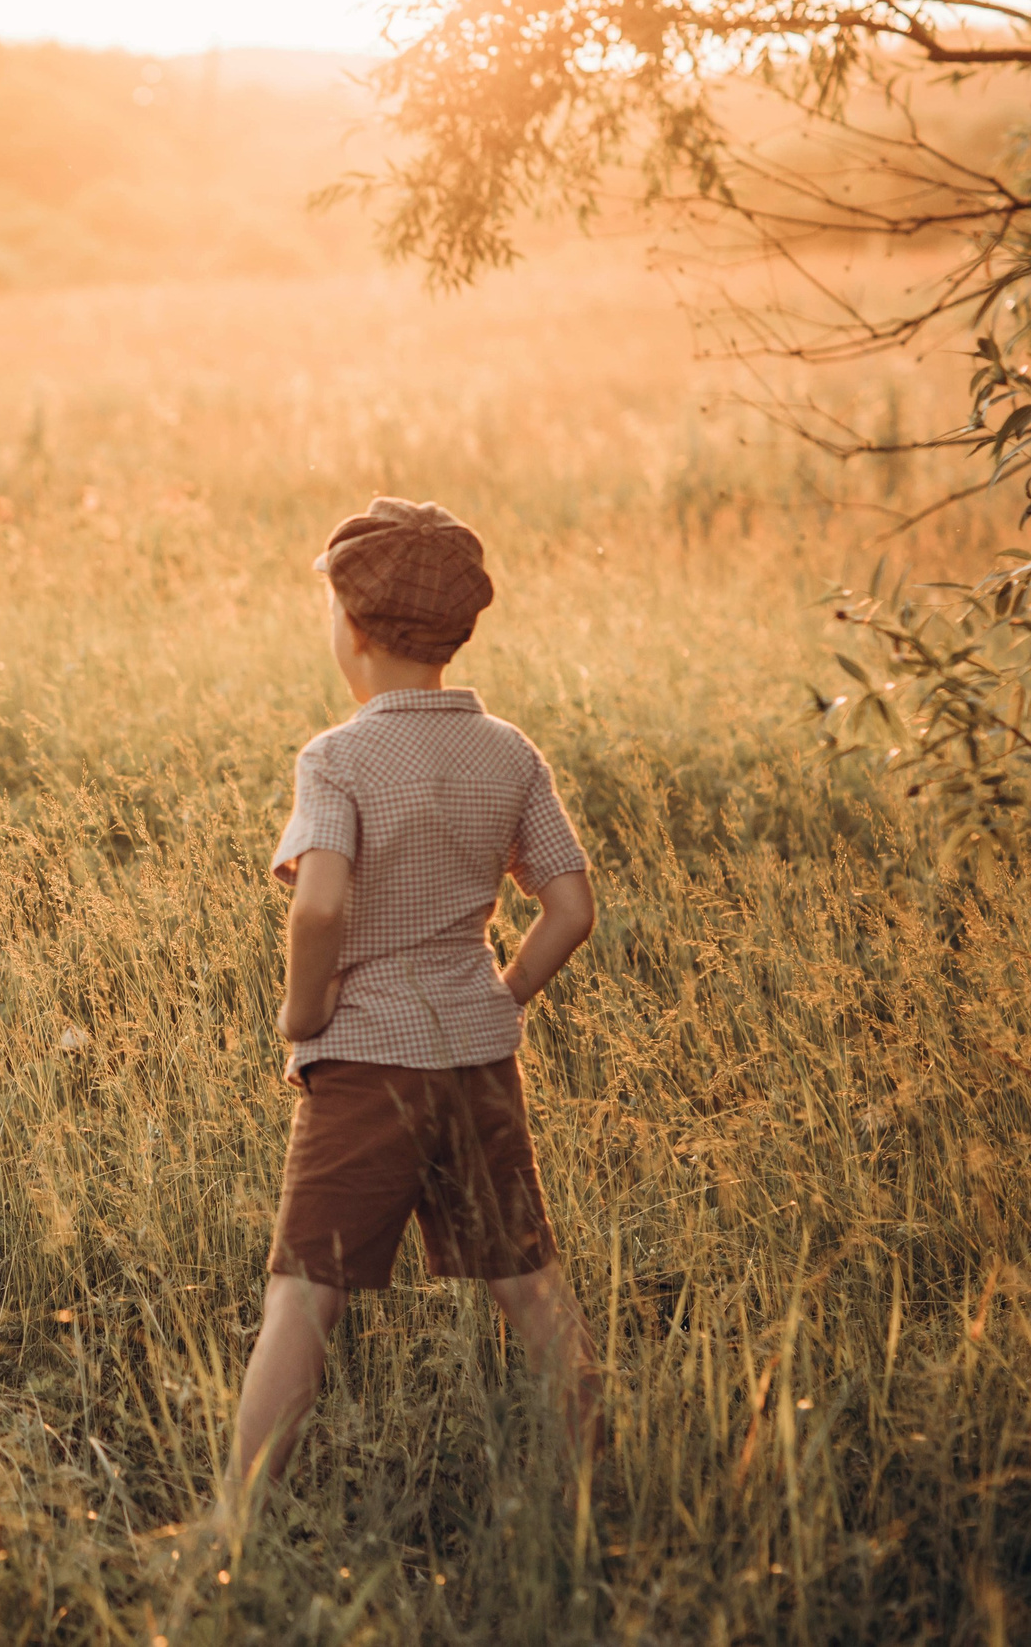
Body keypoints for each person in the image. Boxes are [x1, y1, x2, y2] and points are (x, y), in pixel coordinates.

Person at [233, 496, 602, 1505]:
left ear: (349, 627)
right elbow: (568, 908)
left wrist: (302, 1017)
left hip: (365, 1068)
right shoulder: (507, 751)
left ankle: (232, 1526)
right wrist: (502, 994)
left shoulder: (337, 757)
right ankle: (602, 1492)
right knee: (530, 1288)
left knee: (303, 1299)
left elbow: (317, 910)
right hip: (475, 1058)